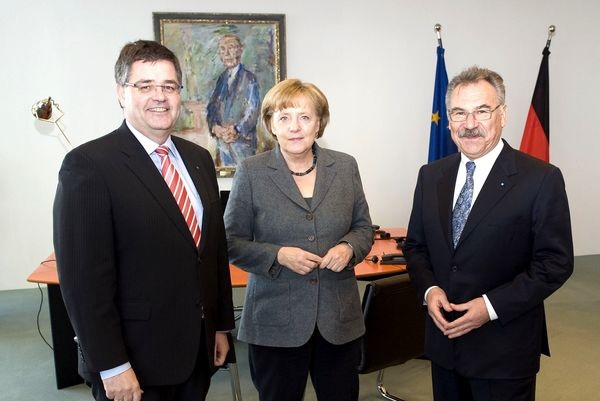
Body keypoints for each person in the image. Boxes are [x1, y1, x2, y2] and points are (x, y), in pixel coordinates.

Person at [53, 40, 235, 401]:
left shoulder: (199, 159)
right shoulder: (88, 165)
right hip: (134, 363)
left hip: (195, 351)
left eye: (169, 86)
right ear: (122, 93)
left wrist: (220, 326)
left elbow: (212, 253)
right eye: (145, 86)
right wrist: (111, 364)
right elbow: (82, 281)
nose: (160, 96)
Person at [404, 65, 574, 401]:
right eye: (459, 113)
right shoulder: (431, 176)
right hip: (444, 346)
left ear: (503, 114)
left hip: (504, 351)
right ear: (448, 120)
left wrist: (490, 306)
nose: (469, 124)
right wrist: (430, 289)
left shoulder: (540, 179)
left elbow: (554, 263)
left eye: (482, 111)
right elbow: (415, 246)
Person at [224, 78, 373, 401]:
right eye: (284, 117)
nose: (295, 127)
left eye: (305, 117)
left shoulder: (345, 167)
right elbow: (230, 242)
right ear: (270, 125)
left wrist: (349, 248)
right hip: (275, 322)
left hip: (338, 321)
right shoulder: (251, 172)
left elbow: (364, 229)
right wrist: (277, 256)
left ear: (319, 124)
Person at [206, 34, 260, 167]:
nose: (227, 53)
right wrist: (214, 127)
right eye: (223, 49)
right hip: (224, 144)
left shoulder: (249, 78)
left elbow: (253, 111)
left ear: (240, 50)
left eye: (231, 47)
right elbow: (212, 108)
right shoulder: (221, 79)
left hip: (243, 145)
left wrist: (236, 129)